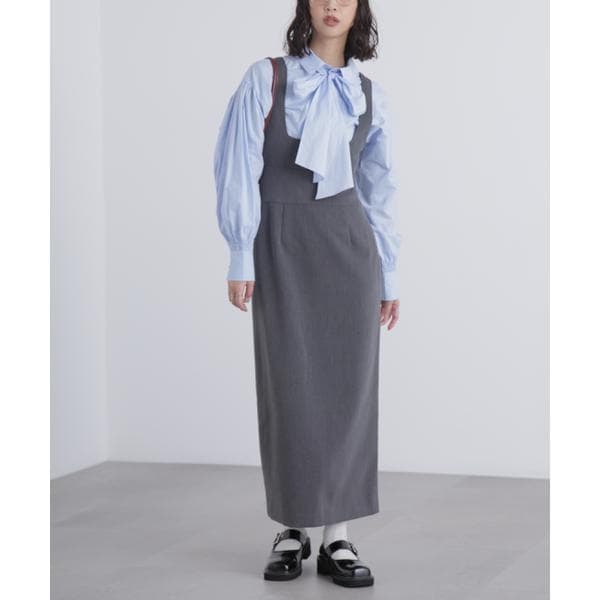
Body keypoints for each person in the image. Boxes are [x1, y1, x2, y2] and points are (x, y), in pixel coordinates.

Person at [213, 0, 401, 588]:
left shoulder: (369, 95)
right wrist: (239, 252)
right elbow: (237, 166)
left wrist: (390, 273)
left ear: (359, 10)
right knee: (288, 387)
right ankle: (292, 527)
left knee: (349, 391)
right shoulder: (266, 78)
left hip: (349, 248)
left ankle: (337, 534)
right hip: (280, 241)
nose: (332, 4)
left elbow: (379, 189)